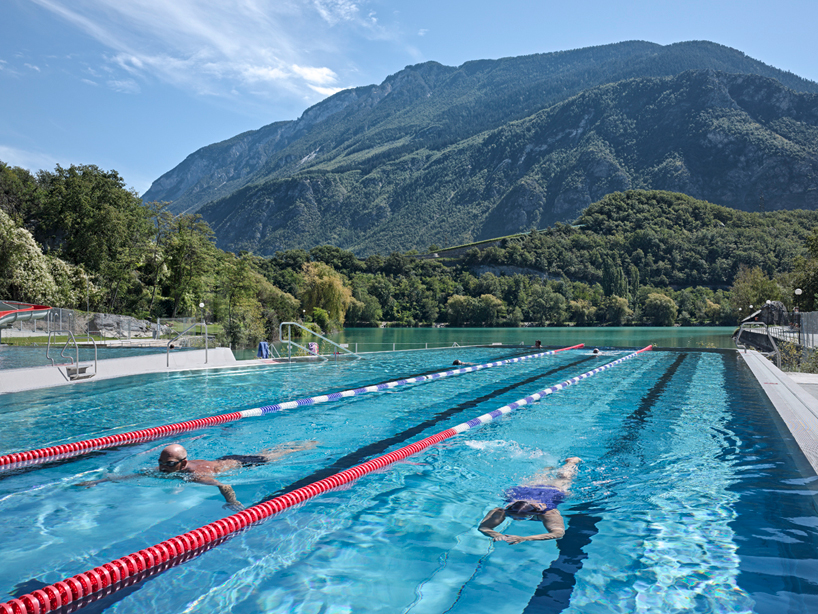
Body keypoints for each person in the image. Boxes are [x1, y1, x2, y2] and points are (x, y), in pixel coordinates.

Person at [82, 441, 317, 510]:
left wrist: (234, 504)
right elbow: (134, 475)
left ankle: (301, 446)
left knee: (274, 455)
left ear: (183, 463)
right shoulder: (167, 468)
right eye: (161, 463)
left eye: (169, 464)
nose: (163, 468)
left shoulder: (196, 476)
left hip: (241, 464)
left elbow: (223, 486)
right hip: (224, 457)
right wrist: (99, 481)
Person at [478, 457, 580, 545]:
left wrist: (524, 538)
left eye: (524, 518)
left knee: (564, 479)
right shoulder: (501, 511)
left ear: (534, 513)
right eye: (512, 516)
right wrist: (497, 534)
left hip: (551, 492)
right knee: (539, 477)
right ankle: (549, 465)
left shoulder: (549, 513)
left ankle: (571, 462)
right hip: (526, 491)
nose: (516, 519)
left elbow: (558, 533)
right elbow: (483, 527)